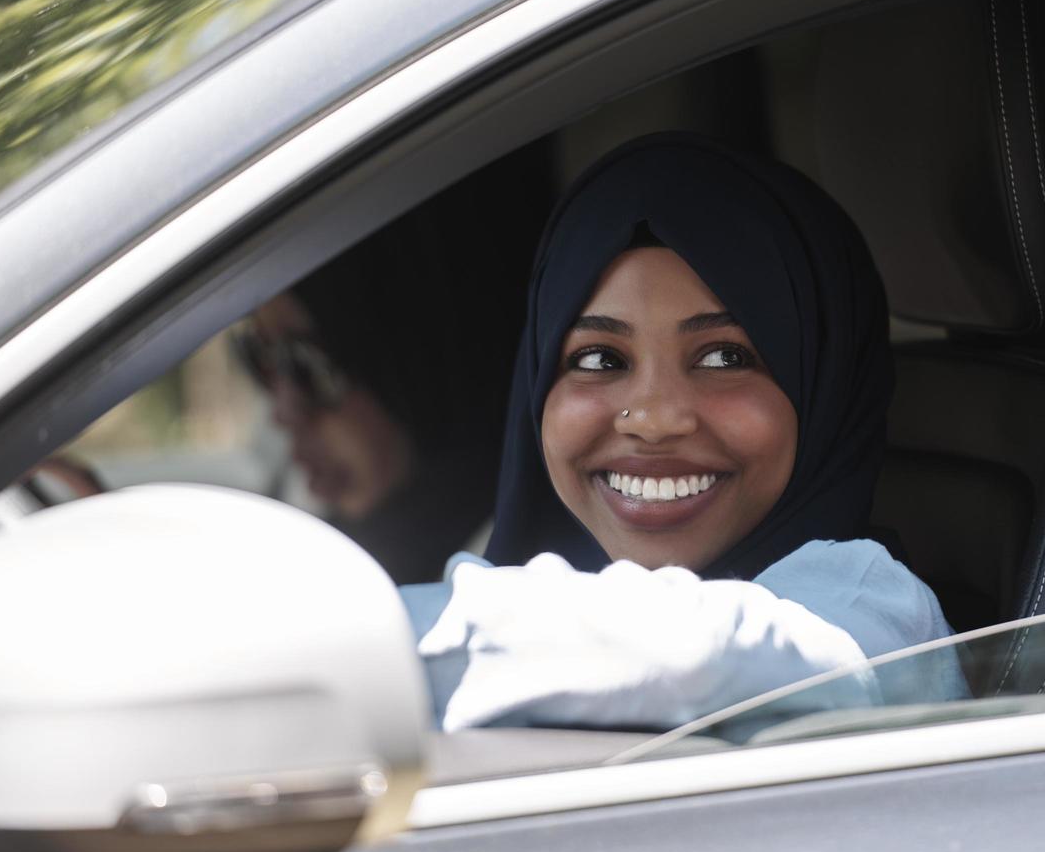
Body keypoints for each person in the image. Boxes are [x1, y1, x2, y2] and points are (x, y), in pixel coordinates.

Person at [400, 133, 964, 732]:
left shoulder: (871, 614)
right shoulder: (517, 573)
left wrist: (354, 637)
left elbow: (695, 659)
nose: (653, 418)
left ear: (824, 386)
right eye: (598, 359)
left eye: (725, 357)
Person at [236, 148, 547, 585]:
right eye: (259, 358)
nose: (282, 412)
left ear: (428, 358)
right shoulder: (337, 547)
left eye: (309, 365)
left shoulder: (521, 581)